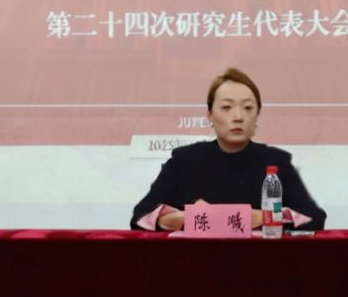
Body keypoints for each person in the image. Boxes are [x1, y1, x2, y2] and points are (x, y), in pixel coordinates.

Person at [131, 67, 326, 231]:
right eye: (226, 107)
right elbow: (141, 217)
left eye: (248, 108)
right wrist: (184, 219)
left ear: (257, 116)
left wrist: (264, 217)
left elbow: (314, 218)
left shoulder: (276, 162)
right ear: (209, 116)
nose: (238, 117)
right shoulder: (183, 162)